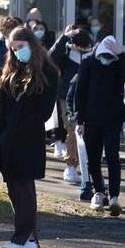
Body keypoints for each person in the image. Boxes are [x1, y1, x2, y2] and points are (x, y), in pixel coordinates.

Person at [0, 27, 58, 248]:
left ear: (31, 44)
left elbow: (44, 111)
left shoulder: (47, 72)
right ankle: (29, 237)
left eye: (21, 47)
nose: (18, 52)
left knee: (24, 190)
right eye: (14, 48)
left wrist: (21, 129)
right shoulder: (11, 72)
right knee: (14, 190)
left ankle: (24, 238)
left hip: (28, 140)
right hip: (7, 140)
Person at [74, 36, 125, 216]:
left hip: (113, 120)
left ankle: (114, 195)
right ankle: (98, 191)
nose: (106, 60)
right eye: (104, 55)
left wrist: (121, 54)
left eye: (110, 56)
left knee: (112, 156)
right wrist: (80, 120)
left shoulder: (118, 64)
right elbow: (80, 93)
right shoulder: (89, 64)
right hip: (91, 120)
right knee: (93, 158)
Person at [49, 27, 94, 183]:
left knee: (87, 134)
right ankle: (70, 167)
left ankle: (87, 169)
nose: (80, 49)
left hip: (88, 99)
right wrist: (63, 38)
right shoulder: (66, 54)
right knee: (72, 130)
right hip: (66, 98)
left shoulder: (92, 55)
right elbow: (50, 58)